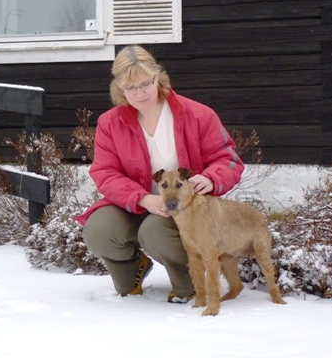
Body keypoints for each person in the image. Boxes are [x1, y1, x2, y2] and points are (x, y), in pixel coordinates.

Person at [75, 45, 244, 302]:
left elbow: (228, 159)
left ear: (158, 77)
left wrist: (210, 179)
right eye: (130, 87)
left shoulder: (198, 114)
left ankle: (190, 284)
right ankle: (134, 270)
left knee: (155, 231)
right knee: (99, 230)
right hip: (136, 203)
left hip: (185, 207)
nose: (140, 93)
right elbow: (105, 172)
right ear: (119, 88)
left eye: (146, 83)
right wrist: (142, 198)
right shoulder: (109, 123)